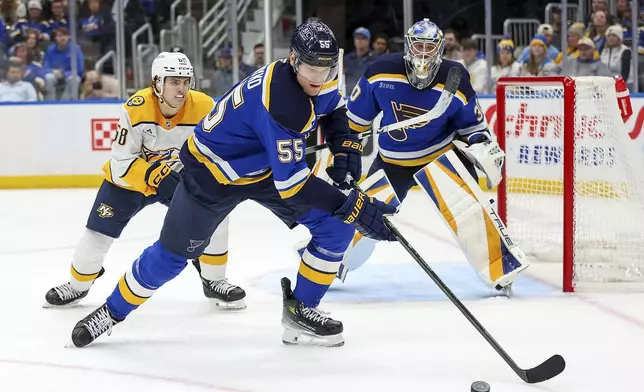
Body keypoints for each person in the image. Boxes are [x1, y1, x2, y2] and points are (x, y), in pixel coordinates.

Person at [69, 20, 397, 349]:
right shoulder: (284, 103)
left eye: (326, 68)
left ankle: (301, 312)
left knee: (336, 229)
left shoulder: (319, 73)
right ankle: (111, 312)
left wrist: (346, 143)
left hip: (261, 166)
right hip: (212, 175)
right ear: (294, 60)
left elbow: (335, 105)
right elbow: (294, 185)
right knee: (171, 257)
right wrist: (354, 206)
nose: (319, 77)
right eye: (312, 68)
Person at [45, 52, 247, 311]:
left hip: (179, 178)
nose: (182, 89)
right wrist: (153, 175)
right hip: (129, 184)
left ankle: (214, 280)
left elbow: (217, 148)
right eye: (174, 82)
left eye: (186, 82)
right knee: (96, 234)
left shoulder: (205, 106)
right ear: (157, 82)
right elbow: (120, 162)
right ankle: (77, 285)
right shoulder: (136, 107)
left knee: (217, 214)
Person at [337, 18, 528, 293]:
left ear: (440, 49)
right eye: (418, 46)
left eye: (429, 47)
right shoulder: (380, 72)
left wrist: (481, 145)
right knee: (364, 215)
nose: (423, 53)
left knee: (468, 210)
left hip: (441, 156)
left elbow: (473, 127)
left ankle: (501, 268)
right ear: (407, 46)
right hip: (393, 161)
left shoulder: (455, 77)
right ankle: (329, 259)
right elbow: (354, 123)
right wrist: (344, 148)